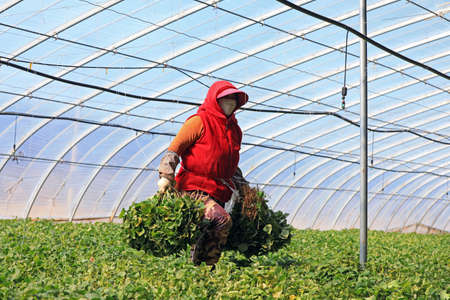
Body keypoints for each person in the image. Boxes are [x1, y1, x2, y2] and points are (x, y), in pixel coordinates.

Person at [157, 80, 248, 267]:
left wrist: (243, 186)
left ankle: (205, 270)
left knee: (207, 231)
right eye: (225, 98)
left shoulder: (235, 131)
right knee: (221, 219)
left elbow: (230, 164)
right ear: (215, 100)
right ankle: (200, 264)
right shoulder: (199, 122)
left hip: (219, 190)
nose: (230, 102)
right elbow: (174, 150)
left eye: (233, 98)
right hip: (193, 187)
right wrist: (166, 176)